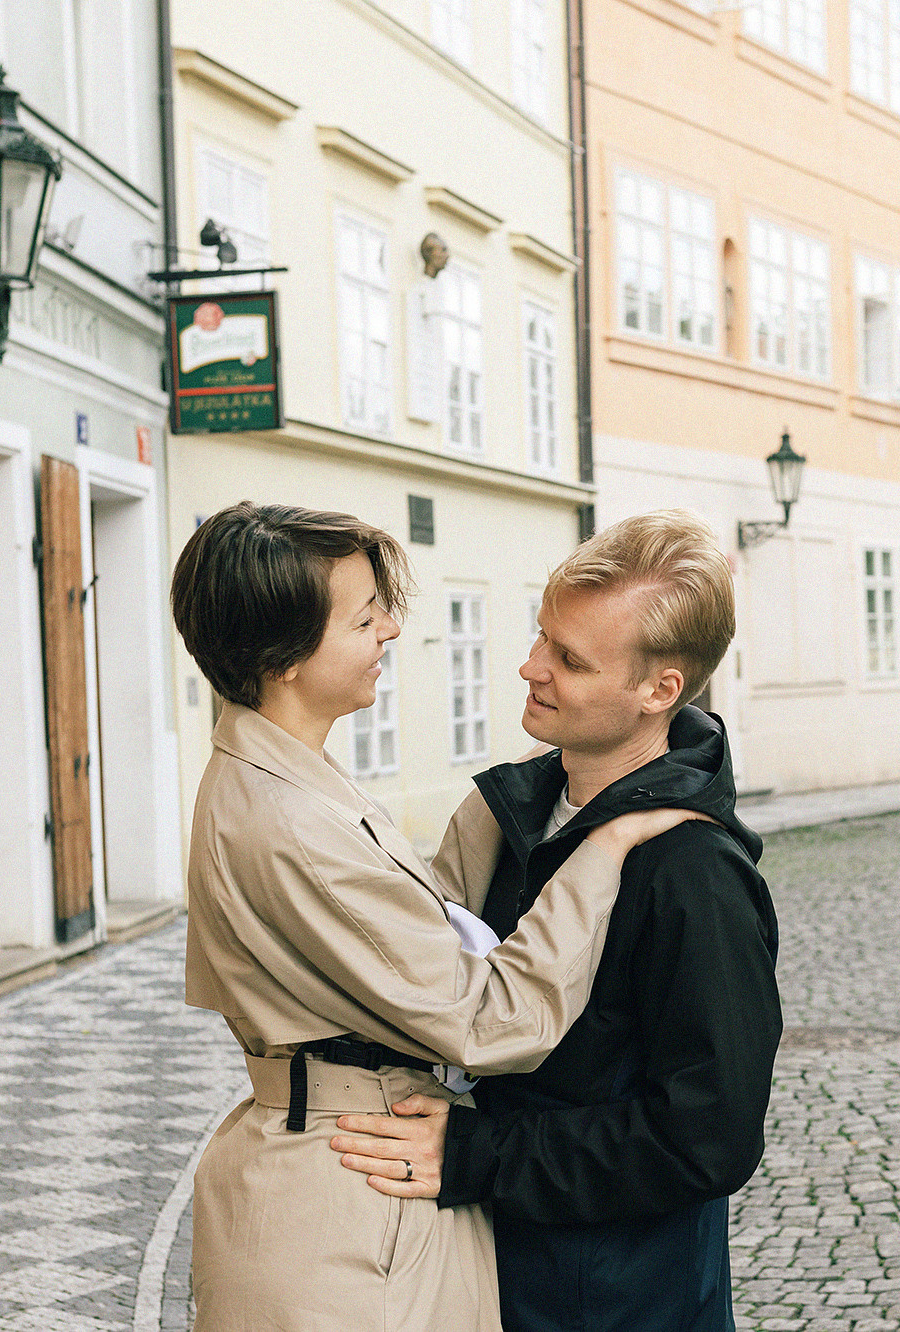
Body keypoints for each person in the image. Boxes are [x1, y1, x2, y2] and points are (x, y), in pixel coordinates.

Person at [171, 502, 702, 1332]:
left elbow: (417, 918)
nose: (387, 629)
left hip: (337, 1169)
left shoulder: (280, 774)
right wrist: (610, 842)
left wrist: (543, 782)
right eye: (362, 616)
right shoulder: (291, 821)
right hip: (356, 1202)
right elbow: (489, 1023)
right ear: (285, 656)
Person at [327, 510, 783, 1332]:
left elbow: (707, 1138)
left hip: (618, 1299)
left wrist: (477, 1156)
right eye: (543, 637)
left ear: (659, 691)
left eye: (569, 659)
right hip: (484, 1271)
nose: (530, 667)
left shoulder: (693, 874)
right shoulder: (509, 813)